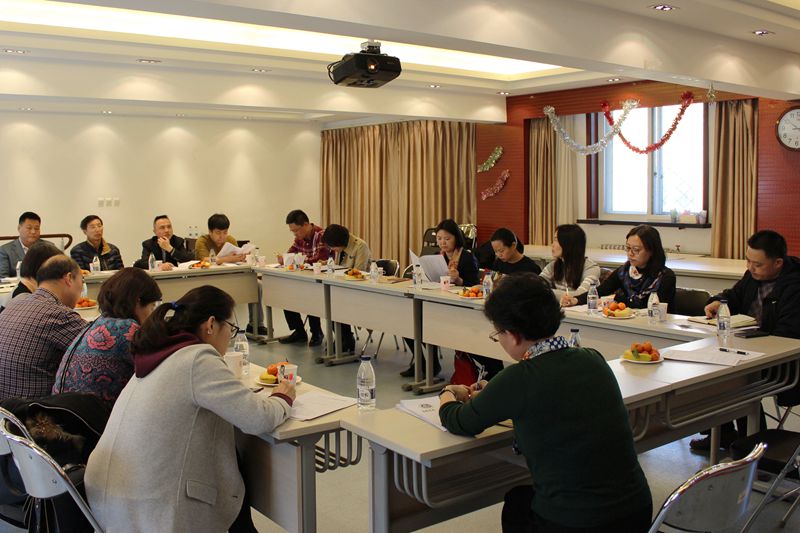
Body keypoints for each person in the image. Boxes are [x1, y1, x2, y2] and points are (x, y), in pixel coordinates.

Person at [438, 273, 652, 532]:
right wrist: (494, 393)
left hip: (576, 523)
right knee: (522, 498)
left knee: (516, 506)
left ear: (513, 335)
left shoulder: (518, 378)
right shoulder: (593, 358)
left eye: (498, 334)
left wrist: (447, 393)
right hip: (637, 513)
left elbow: (459, 421)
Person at [85, 286, 295, 532]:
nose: (230, 338)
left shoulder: (160, 351)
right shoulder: (197, 358)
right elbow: (258, 418)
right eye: (231, 328)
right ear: (211, 324)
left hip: (109, 498)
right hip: (150, 508)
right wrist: (283, 396)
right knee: (232, 473)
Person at [690, 229, 800, 452]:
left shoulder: (795, 287)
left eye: (757, 264)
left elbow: (787, 335)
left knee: (735, 381)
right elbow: (733, 296)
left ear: (778, 262)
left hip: (785, 364)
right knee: (710, 372)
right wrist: (719, 302)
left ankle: (755, 447)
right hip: (748, 351)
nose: (750, 268)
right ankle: (725, 434)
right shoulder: (752, 276)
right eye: (748, 261)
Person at [52, 268, 163, 405]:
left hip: (66, 410)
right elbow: (158, 375)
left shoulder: (97, 324)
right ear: (137, 302)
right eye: (152, 306)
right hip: (93, 415)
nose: (151, 315)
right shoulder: (128, 329)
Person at [0, 256, 87, 400]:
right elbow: (101, 348)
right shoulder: (59, 315)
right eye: (82, 281)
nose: (82, 288)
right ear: (69, 278)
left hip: (5, 408)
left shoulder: (16, 303)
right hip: (33, 409)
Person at [401, 219, 479, 378]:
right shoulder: (437, 257)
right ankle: (423, 362)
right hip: (437, 301)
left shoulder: (467, 257)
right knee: (408, 324)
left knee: (428, 324)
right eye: (439, 238)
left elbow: (475, 286)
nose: (443, 242)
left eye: (447, 238)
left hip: (459, 306)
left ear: (456, 238)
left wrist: (458, 280)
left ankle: (431, 365)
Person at [562, 224, 676, 312]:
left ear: (651, 251)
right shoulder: (625, 271)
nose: (630, 253)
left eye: (636, 250)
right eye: (628, 248)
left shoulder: (665, 277)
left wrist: (616, 298)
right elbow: (601, 291)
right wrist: (576, 300)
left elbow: (651, 307)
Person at [195, 213, 266, 335]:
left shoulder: (230, 240)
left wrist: (243, 257)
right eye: (218, 233)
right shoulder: (202, 241)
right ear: (210, 231)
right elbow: (205, 260)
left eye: (225, 232)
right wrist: (228, 258)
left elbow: (237, 260)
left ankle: (256, 324)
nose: (222, 236)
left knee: (256, 284)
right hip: (209, 280)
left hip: (231, 277)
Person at [278, 210, 330, 346]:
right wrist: (284, 258)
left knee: (309, 296)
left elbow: (321, 258)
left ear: (306, 224)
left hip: (322, 280)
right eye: (292, 231)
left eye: (296, 230)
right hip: (304, 278)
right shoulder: (299, 238)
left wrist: (301, 260)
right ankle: (299, 331)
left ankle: (316, 332)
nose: (295, 234)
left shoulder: (321, 235)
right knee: (286, 296)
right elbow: (290, 254)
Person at [322, 224, 371, 354]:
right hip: (342, 287)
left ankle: (346, 340)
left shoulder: (360, 246)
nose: (332, 250)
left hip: (360, 290)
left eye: (333, 247)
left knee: (335, 304)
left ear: (340, 243)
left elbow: (359, 272)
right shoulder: (341, 247)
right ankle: (343, 338)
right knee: (327, 302)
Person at [539, 224, 601, 301]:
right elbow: (536, 286)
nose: (552, 244)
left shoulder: (591, 268)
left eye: (556, 240)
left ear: (569, 244)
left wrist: (545, 292)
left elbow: (581, 295)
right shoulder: (553, 265)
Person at [0, 211, 41, 278]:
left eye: (36, 228)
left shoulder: (48, 247)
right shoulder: (5, 250)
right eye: (29, 228)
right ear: (19, 228)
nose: (33, 232)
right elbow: (3, 278)